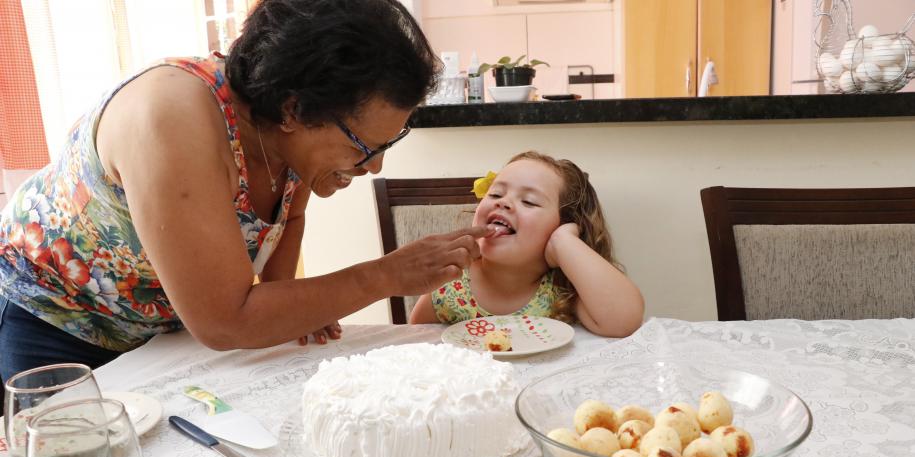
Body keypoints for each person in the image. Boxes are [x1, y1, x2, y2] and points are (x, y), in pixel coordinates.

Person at [0, 0, 490, 382]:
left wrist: (290, 304)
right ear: (295, 110)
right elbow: (225, 321)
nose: (374, 166)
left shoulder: (279, 129)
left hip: (162, 334)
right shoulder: (172, 116)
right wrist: (384, 275)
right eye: (364, 145)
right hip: (53, 322)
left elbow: (289, 218)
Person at [410, 151, 644, 338]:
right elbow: (413, 342)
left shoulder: (565, 288)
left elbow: (623, 322)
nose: (504, 203)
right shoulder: (451, 280)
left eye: (529, 202)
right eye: (495, 195)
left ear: (562, 225)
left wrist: (565, 243)